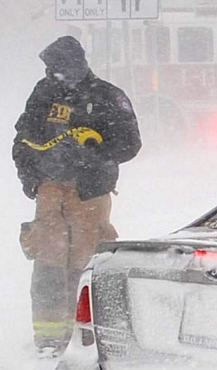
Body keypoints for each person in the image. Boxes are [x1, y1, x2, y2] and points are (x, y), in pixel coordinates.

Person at [14, 36, 141, 352]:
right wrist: (32, 179)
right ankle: (48, 338)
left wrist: (90, 158)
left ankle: (87, 335)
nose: (51, 74)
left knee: (86, 264)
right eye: (49, 68)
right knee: (48, 265)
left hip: (89, 196)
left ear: (74, 64)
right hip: (49, 193)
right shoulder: (43, 93)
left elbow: (130, 144)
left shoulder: (107, 96)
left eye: (55, 67)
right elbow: (23, 140)